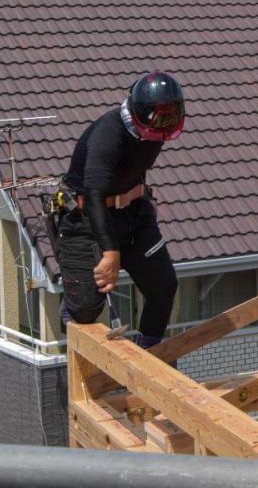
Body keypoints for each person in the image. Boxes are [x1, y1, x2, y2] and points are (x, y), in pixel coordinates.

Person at [56, 72, 185, 348]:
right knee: (86, 310)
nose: (162, 127)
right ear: (140, 112)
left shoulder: (155, 130)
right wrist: (110, 251)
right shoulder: (108, 135)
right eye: (158, 119)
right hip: (87, 219)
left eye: (168, 118)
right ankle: (72, 304)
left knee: (163, 287)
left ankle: (150, 352)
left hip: (133, 215)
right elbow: (93, 195)